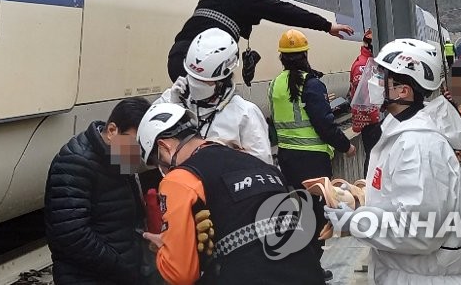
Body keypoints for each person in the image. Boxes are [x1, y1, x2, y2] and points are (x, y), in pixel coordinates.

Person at [325, 39, 461, 284]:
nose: (374, 82)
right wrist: (360, 195)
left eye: (382, 77)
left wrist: (354, 222)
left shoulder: (419, 146)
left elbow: (420, 231)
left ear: (403, 90)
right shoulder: (400, 128)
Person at [137, 102, 325, 285]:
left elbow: (181, 274)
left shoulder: (180, 179)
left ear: (164, 147)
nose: (163, 170)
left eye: (158, 162)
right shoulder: (260, 164)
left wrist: (164, 249)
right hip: (310, 274)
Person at [167, 0, 354, 83]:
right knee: (220, 112)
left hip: (178, 56)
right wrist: (327, 26)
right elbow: (284, 11)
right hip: (203, 62)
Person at [270, 29, 355, 280]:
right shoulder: (312, 84)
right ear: (305, 54)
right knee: (317, 216)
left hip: (287, 159)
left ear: (282, 57)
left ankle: (301, 265)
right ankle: (311, 269)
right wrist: (345, 146)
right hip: (314, 161)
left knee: (298, 213)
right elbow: (324, 124)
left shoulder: (276, 83)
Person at [45, 97, 153, 284]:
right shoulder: (74, 163)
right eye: (136, 144)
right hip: (89, 277)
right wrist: (122, 267)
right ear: (112, 130)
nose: (139, 154)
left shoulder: (118, 156)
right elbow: (72, 237)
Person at [155, 28, 273, 164]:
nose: (195, 84)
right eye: (192, 76)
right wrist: (174, 108)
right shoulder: (172, 98)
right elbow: (148, 139)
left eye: (203, 80)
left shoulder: (245, 114)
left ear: (222, 80)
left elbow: (263, 166)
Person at [349, 28, 381, 175]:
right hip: (372, 123)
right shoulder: (362, 66)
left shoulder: (371, 62)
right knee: (374, 158)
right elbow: (364, 99)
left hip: (376, 120)